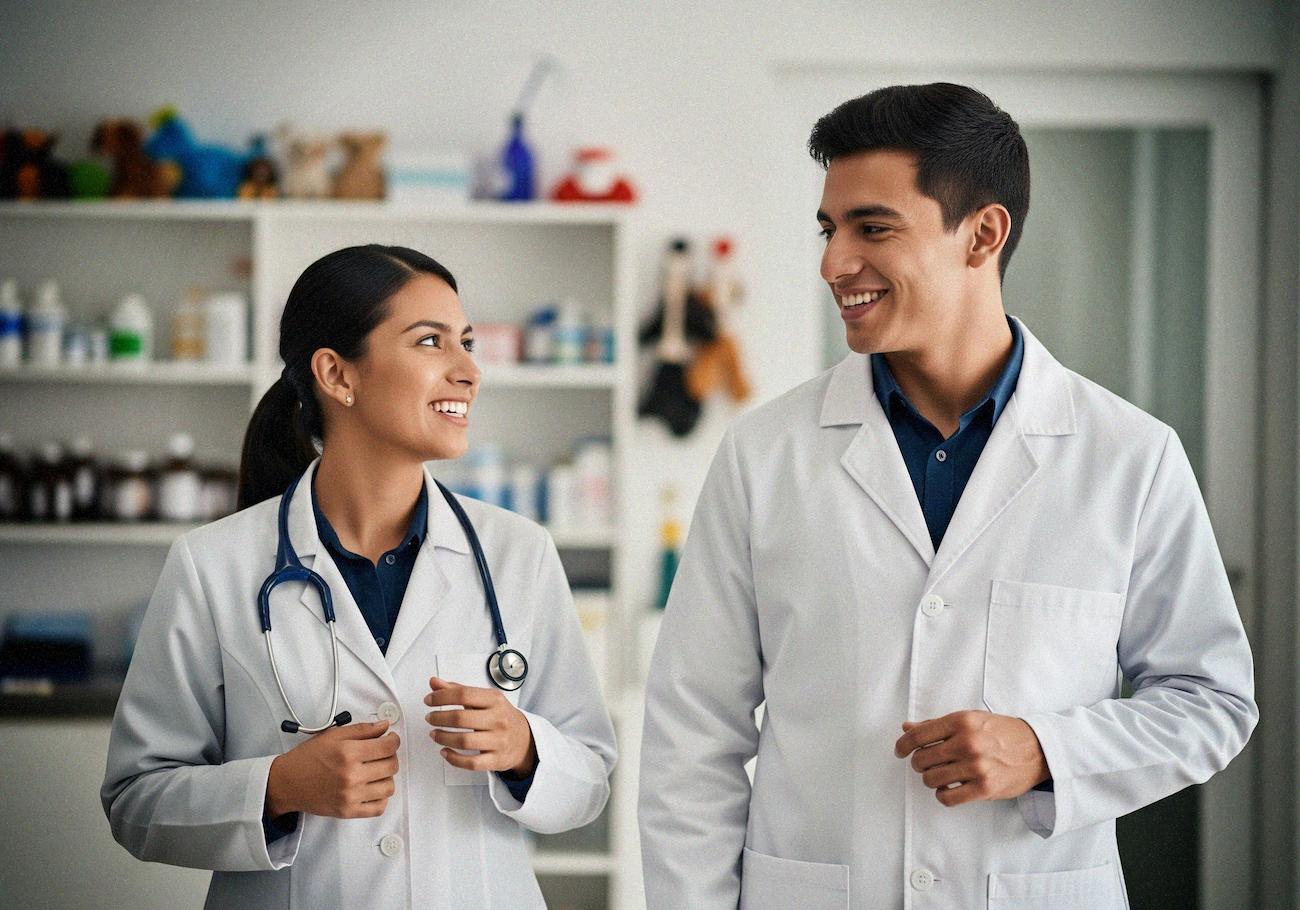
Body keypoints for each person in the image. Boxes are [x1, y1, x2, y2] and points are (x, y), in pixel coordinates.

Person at [638, 83, 1256, 909]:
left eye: (873, 227)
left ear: (983, 235)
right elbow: (691, 740)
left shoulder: (1129, 457)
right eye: (829, 229)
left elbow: (1211, 701)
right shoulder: (766, 455)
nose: (832, 262)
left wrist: (1046, 751)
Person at [103, 244, 616, 909]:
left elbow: (591, 780)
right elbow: (136, 800)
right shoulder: (213, 565)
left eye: (466, 342)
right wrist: (279, 787)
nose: (469, 370)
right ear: (337, 376)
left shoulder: (518, 553)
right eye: (432, 342)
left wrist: (524, 749)